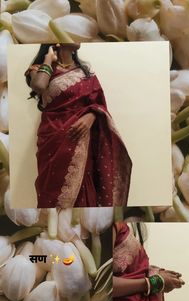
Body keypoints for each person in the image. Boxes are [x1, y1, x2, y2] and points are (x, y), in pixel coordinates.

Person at [25, 43, 132, 208]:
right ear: (57, 41)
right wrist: (48, 58)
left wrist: (91, 116)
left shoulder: (86, 73)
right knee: (52, 187)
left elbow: (99, 105)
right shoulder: (39, 68)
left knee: (85, 182)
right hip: (53, 139)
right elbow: (39, 86)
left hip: (81, 138)